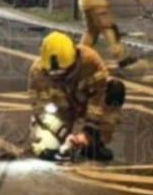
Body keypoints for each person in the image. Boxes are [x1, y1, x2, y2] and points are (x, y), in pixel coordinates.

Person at [27, 31, 125, 162]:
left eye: (63, 72)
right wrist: (60, 132)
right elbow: (39, 108)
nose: (58, 77)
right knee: (46, 150)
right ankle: (55, 142)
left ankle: (94, 143)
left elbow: (99, 95)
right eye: (53, 74)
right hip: (60, 109)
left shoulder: (90, 61)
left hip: (85, 102)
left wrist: (89, 132)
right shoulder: (37, 73)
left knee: (114, 89)